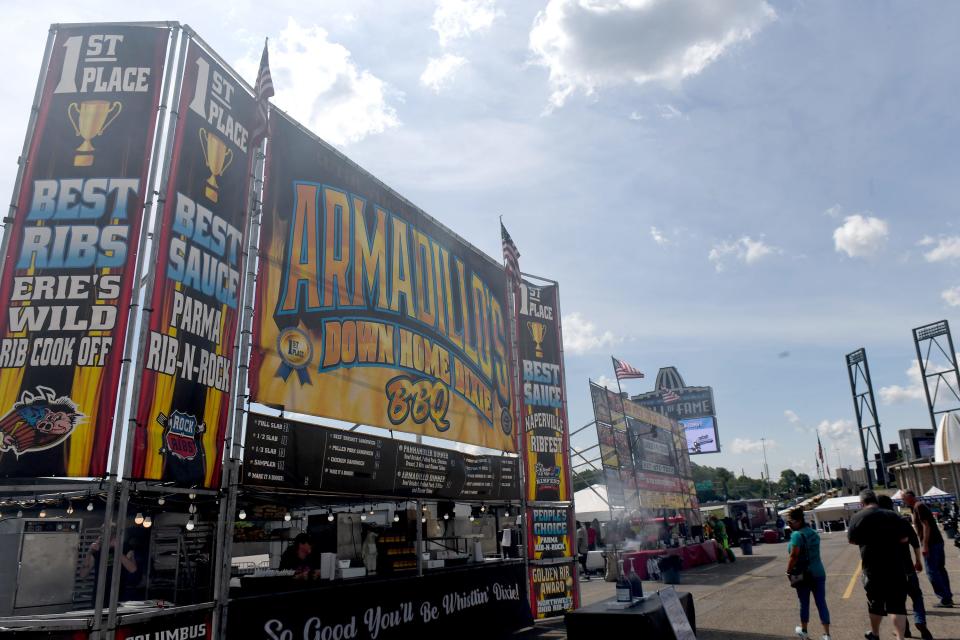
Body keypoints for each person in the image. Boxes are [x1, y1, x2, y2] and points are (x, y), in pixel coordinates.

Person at [848, 490, 913, 640]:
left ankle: (875, 634)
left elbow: (851, 540)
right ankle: (900, 638)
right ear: (876, 501)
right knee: (897, 606)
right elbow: (904, 539)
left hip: (872, 568)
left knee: (875, 603)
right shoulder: (892, 515)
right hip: (895, 567)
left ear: (862, 503)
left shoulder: (857, 517)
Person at [877, 495, 932, 640]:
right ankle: (920, 621)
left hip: (890, 571)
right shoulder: (902, 521)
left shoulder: (877, 526)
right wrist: (918, 561)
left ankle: (904, 629)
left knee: (897, 602)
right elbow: (914, 543)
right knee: (916, 596)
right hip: (907, 567)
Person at [786, 508, 830, 640]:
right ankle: (826, 634)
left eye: (790, 522)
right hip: (819, 572)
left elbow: (794, 555)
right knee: (821, 602)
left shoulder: (796, 535)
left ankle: (804, 630)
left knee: (804, 603)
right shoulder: (813, 533)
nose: (789, 525)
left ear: (798, 521)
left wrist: (788, 571)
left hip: (804, 574)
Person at [903, 491, 953, 608]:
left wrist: (925, 545)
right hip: (936, 542)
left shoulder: (918, 506)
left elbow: (926, 525)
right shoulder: (917, 507)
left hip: (932, 544)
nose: (902, 501)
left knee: (932, 572)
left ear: (909, 497)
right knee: (940, 570)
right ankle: (947, 596)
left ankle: (945, 598)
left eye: (903, 498)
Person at [79, 529, 144, 603]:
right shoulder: (98, 550)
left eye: (110, 533)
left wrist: (117, 549)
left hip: (119, 596)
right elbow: (83, 574)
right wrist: (89, 552)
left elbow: (133, 569)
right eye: (102, 533)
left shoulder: (125, 548)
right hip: (99, 598)